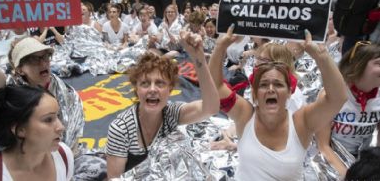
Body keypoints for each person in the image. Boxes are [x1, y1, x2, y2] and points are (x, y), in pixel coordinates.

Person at [0, 0, 106, 180]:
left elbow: (72, 131)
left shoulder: (62, 90)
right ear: (19, 68)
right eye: (34, 58)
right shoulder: (10, 89)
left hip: (59, 155)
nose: (43, 62)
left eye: (46, 57)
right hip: (23, 160)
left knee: (103, 168)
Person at [208, 25, 347, 180]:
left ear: (289, 91)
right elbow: (216, 88)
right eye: (264, 84)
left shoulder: (302, 122)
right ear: (254, 92)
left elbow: (338, 98)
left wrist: (322, 56)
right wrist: (220, 46)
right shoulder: (245, 115)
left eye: (279, 84)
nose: (271, 89)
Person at [106, 30, 220, 179]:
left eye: (160, 83)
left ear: (170, 89)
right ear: (136, 88)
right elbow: (114, 179)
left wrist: (199, 58)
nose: (152, 89)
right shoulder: (121, 129)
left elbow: (211, 107)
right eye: (145, 83)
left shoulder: (172, 113)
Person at [0, 85, 73, 180]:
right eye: (48, 119)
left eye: (57, 116)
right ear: (19, 130)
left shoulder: (63, 155)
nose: (61, 127)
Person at [316, 41, 380, 178]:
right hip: (329, 161)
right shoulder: (331, 94)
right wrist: (350, 176)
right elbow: (322, 146)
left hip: (364, 163)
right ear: (359, 65)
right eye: (378, 63)